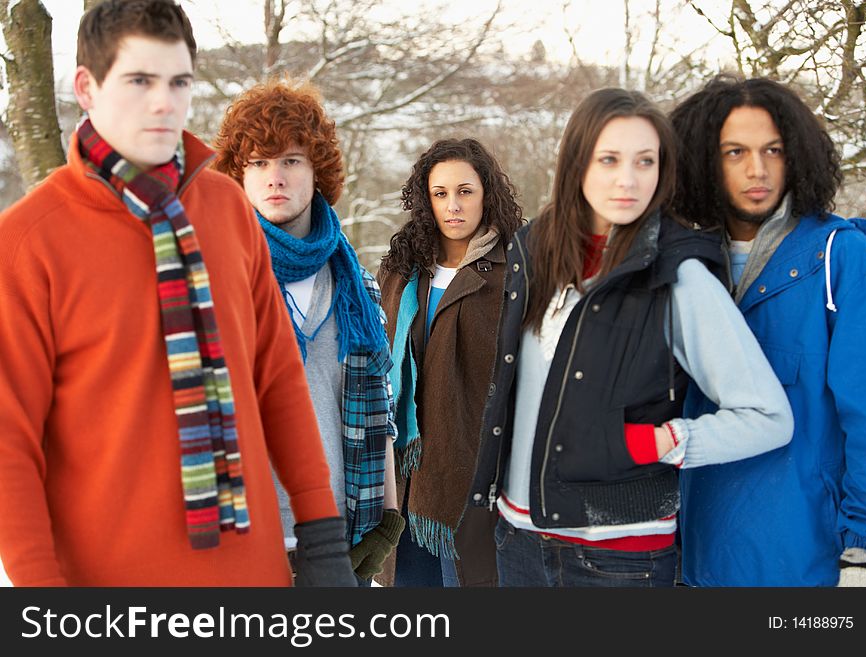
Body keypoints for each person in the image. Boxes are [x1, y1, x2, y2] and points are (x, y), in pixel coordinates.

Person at [0, 0, 355, 587]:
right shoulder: (28, 243)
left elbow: (278, 380)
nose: (164, 102)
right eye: (140, 81)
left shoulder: (227, 211)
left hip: (251, 575)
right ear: (86, 87)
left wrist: (321, 537)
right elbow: (9, 444)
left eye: (179, 81)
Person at [470, 88, 794, 587]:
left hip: (620, 560)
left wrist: (656, 441)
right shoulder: (536, 252)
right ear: (577, 163)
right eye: (610, 159)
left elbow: (769, 418)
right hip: (518, 542)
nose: (628, 180)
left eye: (646, 162)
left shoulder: (680, 276)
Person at [670, 75, 866, 587]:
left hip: (805, 557)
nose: (757, 169)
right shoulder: (678, 263)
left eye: (773, 150)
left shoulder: (839, 258)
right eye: (735, 152)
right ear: (704, 160)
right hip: (693, 555)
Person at [212, 79, 404, 585]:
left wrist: (387, 520)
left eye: (291, 160)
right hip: (238, 538)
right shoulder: (213, 280)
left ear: (317, 171)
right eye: (258, 163)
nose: (275, 177)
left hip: (335, 540)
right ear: (237, 176)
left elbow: (376, 408)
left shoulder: (355, 283)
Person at [376, 138, 523, 587]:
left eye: (465, 191)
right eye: (440, 194)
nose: (453, 206)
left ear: (486, 194)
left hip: (473, 469)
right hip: (401, 469)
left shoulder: (515, 270)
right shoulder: (402, 269)